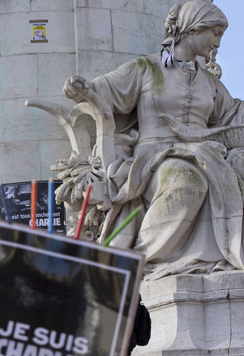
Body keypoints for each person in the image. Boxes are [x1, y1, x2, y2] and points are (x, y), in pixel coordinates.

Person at [64, 0, 244, 279]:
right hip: (153, 158)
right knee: (186, 182)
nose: (218, 43)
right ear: (193, 28)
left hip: (204, 153)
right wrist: (83, 89)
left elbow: (232, 117)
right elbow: (108, 90)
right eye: (215, 33)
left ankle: (215, 257)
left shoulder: (210, 82)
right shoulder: (147, 68)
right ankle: (135, 260)